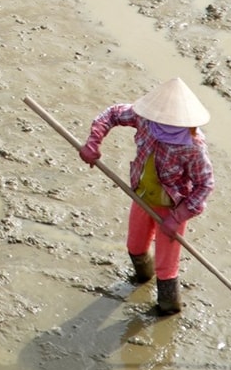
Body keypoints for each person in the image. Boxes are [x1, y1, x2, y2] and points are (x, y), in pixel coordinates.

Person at [80, 76, 214, 316]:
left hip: (172, 208)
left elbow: (205, 185)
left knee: (166, 266)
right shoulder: (144, 120)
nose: (165, 123)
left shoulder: (193, 146)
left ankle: (168, 308)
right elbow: (111, 114)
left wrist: (179, 216)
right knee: (135, 247)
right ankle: (142, 277)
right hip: (142, 197)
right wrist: (93, 142)